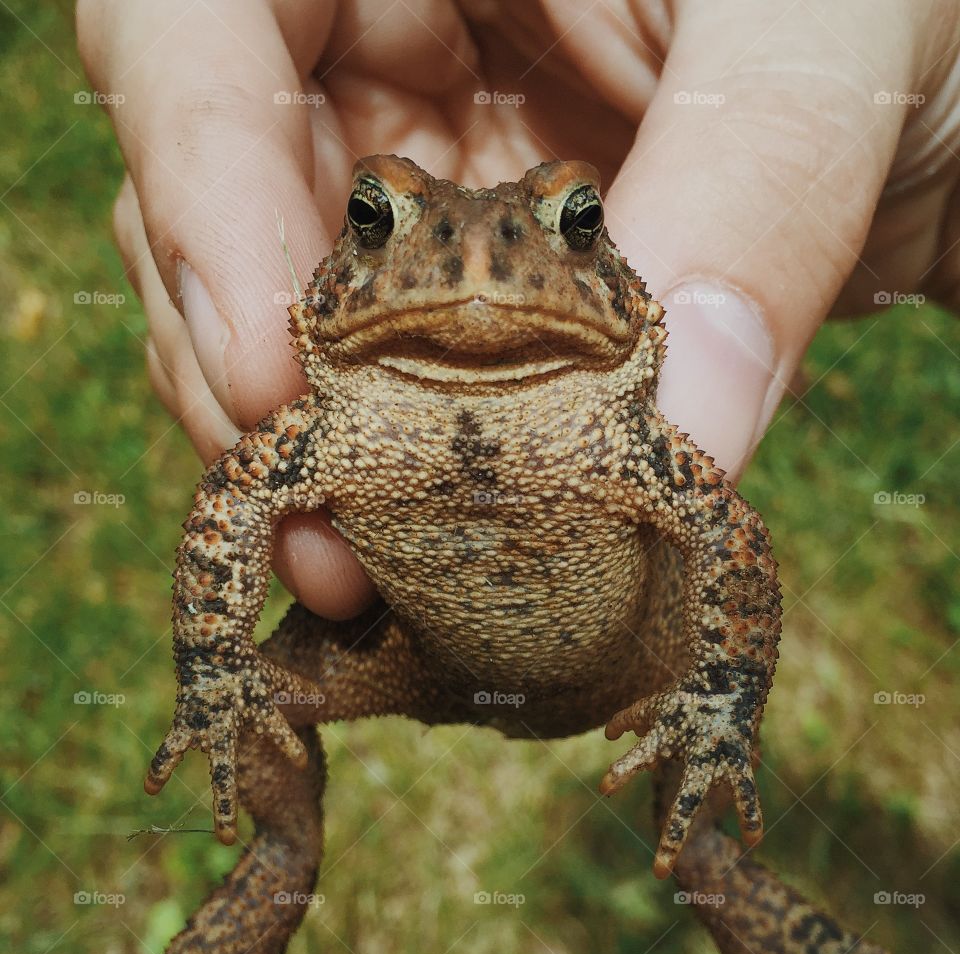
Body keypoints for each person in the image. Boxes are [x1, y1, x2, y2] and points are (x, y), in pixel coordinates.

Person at [78, 0, 960, 620]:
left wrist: (719, 708)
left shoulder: (634, 428)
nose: (478, 265)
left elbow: (730, 544)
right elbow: (229, 510)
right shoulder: (321, 427)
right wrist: (216, 674)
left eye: (575, 224)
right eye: (374, 220)